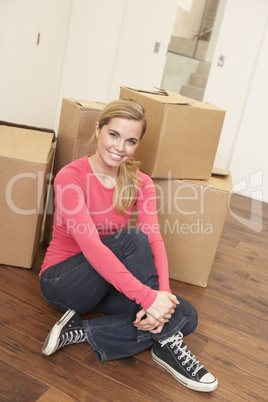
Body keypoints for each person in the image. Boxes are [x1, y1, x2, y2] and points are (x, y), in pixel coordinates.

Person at [40, 99, 218, 393]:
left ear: (138, 144)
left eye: (131, 140)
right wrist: (148, 299)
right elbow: (94, 248)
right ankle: (169, 344)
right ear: (98, 129)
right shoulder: (70, 177)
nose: (120, 147)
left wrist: (163, 294)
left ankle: (81, 331)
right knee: (132, 239)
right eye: (113, 135)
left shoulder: (140, 182)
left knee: (185, 314)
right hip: (63, 282)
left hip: (106, 280)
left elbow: (155, 238)